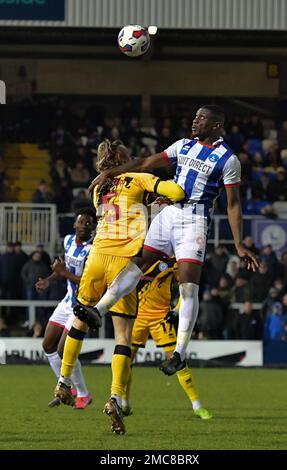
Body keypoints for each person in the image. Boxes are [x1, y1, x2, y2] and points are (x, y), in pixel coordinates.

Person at [84, 104, 259, 376]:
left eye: (202, 118)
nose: (195, 121)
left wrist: (239, 244)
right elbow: (143, 163)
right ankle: (99, 310)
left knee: (188, 286)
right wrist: (110, 173)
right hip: (169, 214)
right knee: (136, 264)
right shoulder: (183, 146)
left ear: (216, 126)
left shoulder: (228, 160)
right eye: (195, 116)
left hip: (194, 222)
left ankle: (179, 353)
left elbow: (233, 204)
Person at [53, 139, 185, 434]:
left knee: (80, 319)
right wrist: (159, 192)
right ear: (124, 158)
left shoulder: (100, 187)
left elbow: (123, 204)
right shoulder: (139, 177)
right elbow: (177, 191)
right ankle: (115, 396)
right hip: (124, 264)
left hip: (97, 257)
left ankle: (63, 380)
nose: (138, 157)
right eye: (132, 154)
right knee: (122, 335)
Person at [121, 258, 212, 420]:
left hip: (161, 318)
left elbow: (186, 289)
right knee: (126, 361)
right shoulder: (137, 258)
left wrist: (176, 310)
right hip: (137, 318)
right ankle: (125, 404)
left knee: (177, 360)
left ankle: (197, 406)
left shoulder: (172, 263)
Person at [35, 208, 96, 409]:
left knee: (63, 349)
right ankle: (67, 388)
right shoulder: (68, 241)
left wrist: (62, 272)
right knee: (47, 345)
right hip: (67, 301)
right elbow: (63, 268)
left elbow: (87, 281)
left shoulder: (93, 249)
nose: (84, 226)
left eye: (88, 223)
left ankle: (83, 394)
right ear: (74, 224)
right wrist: (49, 280)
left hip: (81, 306)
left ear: (93, 227)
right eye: (81, 222)